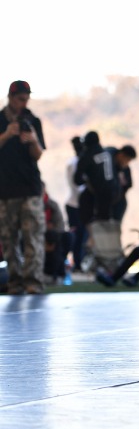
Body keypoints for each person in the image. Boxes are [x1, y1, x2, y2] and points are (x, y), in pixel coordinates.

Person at [0, 80, 47, 295]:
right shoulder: (0, 119)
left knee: (33, 237)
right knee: (9, 239)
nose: (24, 103)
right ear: (11, 97)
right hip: (5, 190)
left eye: (27, 99)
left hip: (30, 189)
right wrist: (7, 134)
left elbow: (38, 155)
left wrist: (33, 140)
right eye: (20, 99)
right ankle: (15, 282)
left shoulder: (32, 120)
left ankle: (33, 282)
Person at [74, 131, 118, 224]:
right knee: (106, 220)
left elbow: (77, 180)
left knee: (93, 222)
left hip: (97, 196)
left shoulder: (87, 156)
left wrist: (87, 181)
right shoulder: (107, 153)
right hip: (114, 191)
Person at [65, 136, 88, 271]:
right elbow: (77, 186)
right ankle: (76, 262)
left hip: (79, 205)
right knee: (77, 236)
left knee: (82, 236)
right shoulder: (75, 163)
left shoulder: (77, 162)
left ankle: (79, 262)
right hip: (75, 205)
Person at [43, 183, 73, 285]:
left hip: (53, 236)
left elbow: (60, 226)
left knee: (67, 237)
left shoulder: (52, 205)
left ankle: (58, 274)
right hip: (39, 235)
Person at [107, 144, 137, 222]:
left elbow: (128, 184)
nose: (127, 163)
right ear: (121, 155)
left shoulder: (125, 169)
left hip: (118, 201)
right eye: (127, 159)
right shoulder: (108, 162)